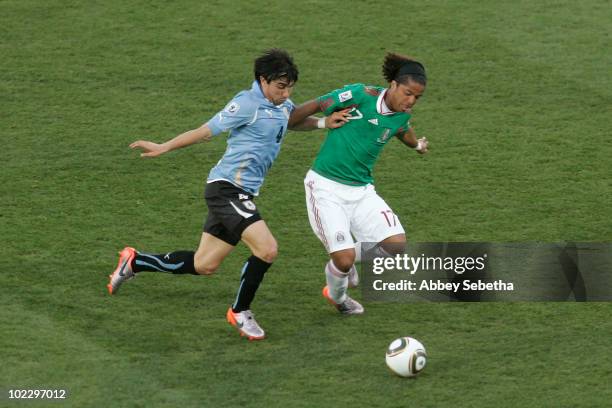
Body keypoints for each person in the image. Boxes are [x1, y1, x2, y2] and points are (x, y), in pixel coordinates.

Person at [107, 49, 348, 340]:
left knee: (204, 264)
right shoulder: (246, 104)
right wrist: (164, 146)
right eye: (280, 87)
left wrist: (323, 122)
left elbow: (291, 121)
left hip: (241, 193)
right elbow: (205, 131)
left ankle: (134, 262)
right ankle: (240, 311)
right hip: (226, 190)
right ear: (263, 80)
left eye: (290, 87)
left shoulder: (280, 104)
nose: (286, 94)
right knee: (267, 248)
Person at [288, 52, 429, 314]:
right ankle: (339, 298)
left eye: (417, 97)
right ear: (394, 85)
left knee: (395, 245)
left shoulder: (400, 117)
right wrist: (322, 123)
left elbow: (404, 133)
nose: (411, 101)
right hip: (325, 188)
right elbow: (301, 114)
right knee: (343, 260)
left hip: (362, 191)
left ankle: (346, 261)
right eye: (408, 93)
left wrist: (418, 145)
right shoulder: (358, 95)